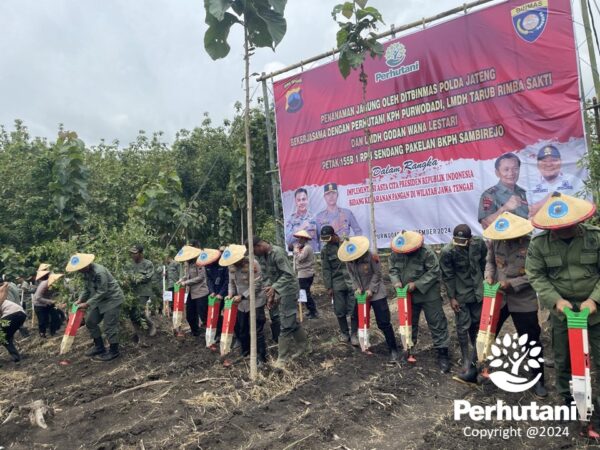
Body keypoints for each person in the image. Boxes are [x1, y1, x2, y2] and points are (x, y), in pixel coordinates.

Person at [526, 193, 600, 435]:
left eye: (567, 227)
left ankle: (595, 406)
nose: (562, 231)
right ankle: (569, 401)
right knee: (563, 359)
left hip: (595, 314)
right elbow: (536, 275)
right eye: (557, 228)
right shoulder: (539, 244)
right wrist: (556, 301)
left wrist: (594, 300)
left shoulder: (595, 237)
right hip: (562, 315)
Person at [482, 211, 546, 396]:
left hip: (523, 299)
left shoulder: (531, 245)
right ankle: (477, 368)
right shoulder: (496, 242)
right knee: (486, 333)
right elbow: (490, 263)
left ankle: (538, 378)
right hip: (499, 298)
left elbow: (535, 275)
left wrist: (513, 284)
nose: (506, 239)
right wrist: (489, 276)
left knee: (531, 340)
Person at [389, 231, 450, 371]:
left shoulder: (426, 252)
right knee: (408, 322)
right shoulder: (395, 253)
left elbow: (434, 271)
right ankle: (408, 350)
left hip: (428, 293)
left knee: (437, 322)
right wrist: (396, 282)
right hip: (407, 294)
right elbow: (392, 270)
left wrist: (416, 284)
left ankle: (443, 354)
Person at [340, 236, 401, 363]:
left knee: (383, 322)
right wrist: (356, 287)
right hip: (361, 294)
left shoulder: (371, 257)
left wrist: (371, 289)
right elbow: (352, 275)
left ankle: (393, 349)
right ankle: (364, 346)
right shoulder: (349, 260)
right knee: (360, 319)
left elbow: (378, 273)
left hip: (377, 293)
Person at [251, 236, 309, 368]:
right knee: (290, 321)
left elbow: (288, 275)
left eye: (254, 251)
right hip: (277, 291)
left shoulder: (277, 253)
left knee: (286, 324)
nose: (255, 255)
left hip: (288, 290)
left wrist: (275, 288)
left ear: (259, 246)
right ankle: (304, 346)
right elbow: (266, 277)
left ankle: (282, 358)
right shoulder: (262, 256)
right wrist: (270, 294)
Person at [440, 224, 487, 378]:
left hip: (478, 292)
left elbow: (483, 263)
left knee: (478, 325)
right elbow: (448, 276)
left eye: (463, 241)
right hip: (461, 294)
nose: (459, 245)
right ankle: (466, 359)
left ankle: (478, 357)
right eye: (457, 241)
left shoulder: (479, 244)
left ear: (470, 239)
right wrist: (452, 298)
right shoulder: (448, 252)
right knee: (462, 327)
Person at [67, 253, 124, 361]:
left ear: (86, 265)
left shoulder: (99, 272)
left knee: (109, 326)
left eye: (79, 268)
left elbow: (103, 291)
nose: (78, 271)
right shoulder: (86, 272)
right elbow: (87, 289)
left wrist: (87, 303)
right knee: (90, 322)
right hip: (99, 301)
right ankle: (99, 347)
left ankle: (114, 351)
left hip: (112, 299)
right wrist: (80, 300)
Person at [220, 244, 268, 366]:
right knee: (242, 329)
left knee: (256, 329)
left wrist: (242, 296)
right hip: (240, 303)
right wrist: (230, 294)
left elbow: (257, 285)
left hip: (255, 300)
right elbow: (231, 283)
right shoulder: (231, 267)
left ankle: (261, 357)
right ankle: (246, 352)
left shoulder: (253, 264)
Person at [321, 226, 358, 345]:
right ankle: (344, 333)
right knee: (340, 309)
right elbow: (326, 269)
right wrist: (328, 287)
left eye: (328, 237)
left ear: (334, 234)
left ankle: (354, 334)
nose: (326, 240)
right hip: (337, 282)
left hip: (352, 281)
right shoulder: (325, 250)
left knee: (354, 309)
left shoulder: (347, 243)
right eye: (324, 239)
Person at [478, 153, 529, 228]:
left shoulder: (521, 192)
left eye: (515, 169)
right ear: (497, 173)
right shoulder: (489, 194)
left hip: (526, 238)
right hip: (503, 239)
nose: (511, 173)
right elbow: (485, 224)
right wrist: (505, 208)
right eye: (506, 169)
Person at [528, 145, 575, 217]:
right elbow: (528, 214)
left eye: (554, 160)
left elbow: (587, 207)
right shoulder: (528, 186)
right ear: (537, 164)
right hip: (541, 227)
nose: (549, 164)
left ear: (561, 162)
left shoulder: (575, 181)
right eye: (544, 161)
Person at [176, 245, 207, 337]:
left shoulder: (200, 262)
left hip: (201, 292)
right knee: (190, 314)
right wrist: (181, 280)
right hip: (192, 293)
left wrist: (186, 282)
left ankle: (208, 333)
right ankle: (195, 331)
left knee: (203, 314)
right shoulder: (188, 264)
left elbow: (201, 277)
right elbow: (187, 275)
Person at [126, 244, 156, 340]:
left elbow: (148, 277)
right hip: (131, 292)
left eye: (135, 253)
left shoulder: (148, 264)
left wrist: (135, 278)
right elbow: (125, 275)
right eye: (132, 253)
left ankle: (151, 325)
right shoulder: (129, 264)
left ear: (141, 253)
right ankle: (138, 332)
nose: (133, 255)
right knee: (131, 313)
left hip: (143, 291)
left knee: (140, 312)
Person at [198, 248, 227, 347]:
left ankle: (224, 333)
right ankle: (216, 333)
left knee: (225, 313)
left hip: (224, 291)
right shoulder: (207, 265)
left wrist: (221, 294)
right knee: (214, 313)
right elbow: (209, 279)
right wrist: (212, 291)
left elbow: (227, 281)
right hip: (214, 292)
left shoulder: (224, 264)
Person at [292, 230, 319, 319]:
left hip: (305, 273)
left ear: (304, 238)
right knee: (305, 292)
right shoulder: (303, 247)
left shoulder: (307, 248)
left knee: (305, 293)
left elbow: (300, 258)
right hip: (303, 273)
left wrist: (296, 251)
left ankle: (313, 311)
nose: (298, 240)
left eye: (300, 238)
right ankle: (311, 310)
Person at [285, 188, 319, 252]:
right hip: (299, 257)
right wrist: (300, 228)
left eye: (303, 199)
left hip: (314, 255)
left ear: (307, 200)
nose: (301, 202)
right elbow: (288, 241)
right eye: (299, 200)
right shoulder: (291, 220)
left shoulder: (315, 218)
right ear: (295, 202)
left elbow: (321, 239)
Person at [0, 282, 27, 362]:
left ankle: (15, 356)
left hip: (11, 315)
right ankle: (16, 357)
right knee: (6, 338)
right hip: (21, 315)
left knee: (3, 337)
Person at [32, 269, 62, 337]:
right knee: (43, 320)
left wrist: (58, 301)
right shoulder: (44, 283)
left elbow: (55, 294)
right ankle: (42, 334)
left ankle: (53, 332)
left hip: (48, 303)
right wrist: (51, 301)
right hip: (39, 304)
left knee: (55, 317)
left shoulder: (55, 285)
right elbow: (38, 297)